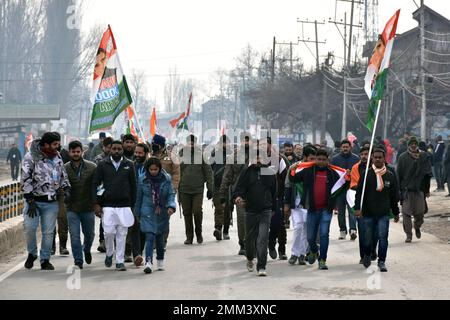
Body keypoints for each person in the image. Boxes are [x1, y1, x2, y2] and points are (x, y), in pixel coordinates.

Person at [21, 132, 71, 271]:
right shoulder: (31, 157)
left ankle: (45, 260)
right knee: (30, 229)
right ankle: (32, 254)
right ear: (46, 144)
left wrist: (66, 189)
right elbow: (25, 178)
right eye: (55, 144)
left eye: (58, 144)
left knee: (48, 232)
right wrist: (30, 200)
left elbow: (63, 175)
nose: (57, 146)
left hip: (51, 203)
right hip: (33, 202)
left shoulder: (57, 157)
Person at [290, 148, 341, 270]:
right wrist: (292, 170)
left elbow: (342, 185)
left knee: (324, 235)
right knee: (310, 238)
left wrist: (348, 176)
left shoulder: (333, 173)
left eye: (324, 159)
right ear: (315, 159)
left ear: (328, 160)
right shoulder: (308, 171)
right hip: (312, 209)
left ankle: (322, 259)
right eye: (319, 159)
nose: (321, 162)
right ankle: (313, 250)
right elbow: (294, 179)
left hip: (326, 210)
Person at [233, 142, 278, 276]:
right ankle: (249, 258)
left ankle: (262, 266)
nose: (258, 161)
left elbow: (274, 192)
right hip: (250, 210)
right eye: (256, 158)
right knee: (249, 239)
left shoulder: (270, 172)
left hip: (265, 210)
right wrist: (238, 197)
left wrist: (273, 207)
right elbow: (238, 189)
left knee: (262, 239)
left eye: (260, 158)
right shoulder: (247, 172)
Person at [92, 140, 136, 271]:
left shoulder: (129, 164)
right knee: (109, 233)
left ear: (122, 150)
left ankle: (120, 261)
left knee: (122, 234)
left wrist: (133, 206)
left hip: (124, 205)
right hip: (108, 204)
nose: (116, 151)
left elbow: (133, 187)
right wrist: (96, 203)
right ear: (110, 150)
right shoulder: (102, 164)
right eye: (114, 149)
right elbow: (96, 184)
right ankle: (109, 253)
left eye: (119, 149)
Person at [355, 148, 400, 272]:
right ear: (372, 159)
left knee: (383, 237)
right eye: (376, 157)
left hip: (383, 213)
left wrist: (396, 212)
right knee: (367, 238)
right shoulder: (366, 174)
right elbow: (359, 193)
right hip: (368, 213)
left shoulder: (390, 175)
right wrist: (357, 208)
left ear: (384, 158)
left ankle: (382, 261)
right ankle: (367, 254)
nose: (378, 159)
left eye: (380, 157)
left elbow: (394, 196)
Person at [135, 157, 176, 274]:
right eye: (151, 169)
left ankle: (160, 260)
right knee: (150, 236)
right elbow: (139, 198)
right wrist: (137, 212)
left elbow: (170, 194)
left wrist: (171, 206)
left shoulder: (166, 179)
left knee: (159, 238)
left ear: (159, 168)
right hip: (147, 211)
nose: (153, 171)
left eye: (155, 169)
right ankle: (148, 262)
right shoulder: (142, 179)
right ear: (147, 169)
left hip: (162, 212)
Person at [65, 141, 97, 270]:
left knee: (90, 235)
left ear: (82, 151)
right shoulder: (64, 168)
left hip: (88, 207)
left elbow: (97, 186)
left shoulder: (92, 167)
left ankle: (87, 249)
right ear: (69, 153)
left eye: (78, 151)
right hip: (72, 208)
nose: (76, 154)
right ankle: (78, 260)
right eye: (73, 152)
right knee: (74, 235)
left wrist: (97, 203)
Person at [219, 132, 252, 255]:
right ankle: (243, 244)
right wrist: (222, 195)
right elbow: (226, 177)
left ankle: (253, 243)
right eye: (244, 140)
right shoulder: (233, 157)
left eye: (248, 140)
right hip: (240, 194)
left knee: (255, 220)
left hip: (256, 193)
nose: (246, 143)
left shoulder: (259, 156)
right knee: (242, 219)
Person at [284, 145, 317, 265]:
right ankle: (294, 253)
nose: (313, 161)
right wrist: (287, 203)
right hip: (296, 202)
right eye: (311, 158)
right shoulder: (295, 167)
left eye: (315, 158)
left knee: (306, 229)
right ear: (305, 157)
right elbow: (288, 184)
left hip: (309, 203)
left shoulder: (316, 168)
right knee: (298, 227)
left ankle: (302, 254)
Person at [178, 135, 213, 245]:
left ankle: (199, 233)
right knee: (187, 213)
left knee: (197, 211)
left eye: (193, 143)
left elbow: (208, 172)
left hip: (198, 189)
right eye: (189, 143)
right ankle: (189, 236)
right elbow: (176, 172)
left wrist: (210, 188)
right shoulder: (181, 155)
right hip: (184, 188)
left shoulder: (201, 155)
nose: (191, 145)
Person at [397, 136, 432, 243]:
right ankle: (409, 235)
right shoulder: (402, 157)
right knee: (406, 213)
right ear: (408, 145)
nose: (413, 145)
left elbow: (427, 174)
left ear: (417, 145)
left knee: (420, 214)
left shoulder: (424, 156)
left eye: (415, 143)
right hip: (406, 190)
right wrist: (399, 190)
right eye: (411, 143)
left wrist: (427, 190)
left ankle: (417, 226)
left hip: (419, 190)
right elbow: (399, 174)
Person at [151, 134, 180, 248]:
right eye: (152, 143)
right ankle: (153, 240)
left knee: (164, 217)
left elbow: (176, 174)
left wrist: (173, 188)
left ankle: (162, 241)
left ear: (161, 145)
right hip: (152, 191)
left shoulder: (172, 157)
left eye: (156, 144)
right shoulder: (149, 156)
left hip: (166, 192)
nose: (153, 146)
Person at [350, 146, 377, 264]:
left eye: (366, 154)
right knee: (362, 230)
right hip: (361, 202)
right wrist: (363, 186)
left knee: (375, 231)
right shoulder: (356, 167)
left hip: (375, 204)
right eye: (362, 154)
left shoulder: (377, 167)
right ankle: (364, 255)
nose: (364, 156)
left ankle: (372, 250)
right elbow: (353, 184)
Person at [264, 137, 289, 261]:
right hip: (261, 199)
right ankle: (262, 248)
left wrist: (285, 198)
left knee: (279, 224)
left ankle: (281, 249)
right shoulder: (254, 161)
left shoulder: (278, 160)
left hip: (277, 197)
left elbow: (286, 180)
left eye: (265, 144)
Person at [331, 139, 360, 240]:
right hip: (340, 189)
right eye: (343, 147)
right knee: (341, 211)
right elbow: (332, 173)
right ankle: (342, 230)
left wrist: (350, 173)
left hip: (352, 189)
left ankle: (353, 230)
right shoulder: (334, 159)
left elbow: (359, 173)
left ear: (350, 147)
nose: (345, 149)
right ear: (340, 148)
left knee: (352, 210)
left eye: (347, 147)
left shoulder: (356, 159)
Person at [126, 143, 149, 266]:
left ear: (146, 153)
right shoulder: (130, 165)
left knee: (143, 229)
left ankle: (139, 252)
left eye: (140, 153)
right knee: (134, 226)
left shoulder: (151, 166)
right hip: (133, 202)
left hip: (147, 201)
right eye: (136, 153)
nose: (137, 155)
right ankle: (137, 254)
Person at [93, 137, 114, 253]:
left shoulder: (117, 159)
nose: (111, 150)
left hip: (114, 192)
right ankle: (102, 241)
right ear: (104, 147)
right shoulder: (98, 159)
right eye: (108, 148)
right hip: (102, 191)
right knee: (103, 217)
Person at [211, 135, 233, 241]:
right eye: (223, 142)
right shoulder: (215, 154)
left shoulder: (233, 154)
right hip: (217, 184)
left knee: (227, 209)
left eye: (227, 142)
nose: (225, 144)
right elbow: (210, 169)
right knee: (219, 208)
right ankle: (218, 228)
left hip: (228, 185)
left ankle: (226, 231)